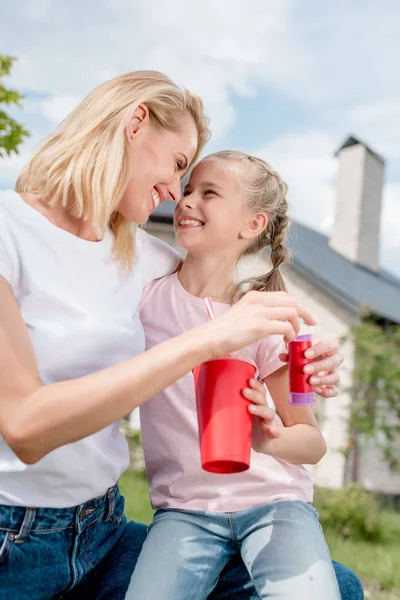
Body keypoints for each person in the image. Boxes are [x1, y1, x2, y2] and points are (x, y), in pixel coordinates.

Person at [0, 71, 362, 600]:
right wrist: (211, 341)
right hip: (14, 539)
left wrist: (312, 356)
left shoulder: (147, 259)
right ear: (136, 122)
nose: (176, 193)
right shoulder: (9, 229)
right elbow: (26, 428)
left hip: (101, 531)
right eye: (177, 166)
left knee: (342, 586)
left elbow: (228, 296)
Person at [127, 151, 345, 599]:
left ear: (252, 225)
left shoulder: (268, 321)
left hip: (276, 504)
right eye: (188, 189)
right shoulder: (146, 299)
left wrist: (269, 439)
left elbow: (312, 442)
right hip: (184, 510)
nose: (187, 200)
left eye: (209, 193)